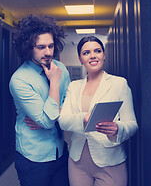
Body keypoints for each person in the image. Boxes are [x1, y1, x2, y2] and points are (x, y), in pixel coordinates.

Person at [59, 36, 138, 186]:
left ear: (104, 55)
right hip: (77, 161)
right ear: (80, 59)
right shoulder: (73, 86)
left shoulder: (119, 84)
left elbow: (132, 124)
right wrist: (84, 118)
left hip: (110, 161)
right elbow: (63, 120)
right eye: (86, 52)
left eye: (97, 51)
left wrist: (117, 128)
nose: (93, 55)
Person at [9, 14, 70, 186]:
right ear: (28, 47)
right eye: (41, 47)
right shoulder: (19, 80)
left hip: (59, 151)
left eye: (51, 46)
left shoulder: (61, 68)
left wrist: (50, 116)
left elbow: (70, 104)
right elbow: (48, 120)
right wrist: (55, 83)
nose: (48, 52)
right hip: (33, 157)